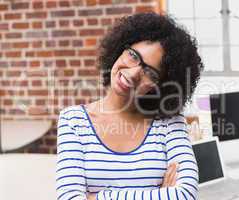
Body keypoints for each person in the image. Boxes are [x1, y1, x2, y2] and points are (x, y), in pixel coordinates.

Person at [56, 12, 204, 200]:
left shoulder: (170, 123)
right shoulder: (73, 120)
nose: (134, 73)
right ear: (120, 49)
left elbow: (185, 194)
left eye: (150, 72)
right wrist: (159, 194)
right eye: (133, 56)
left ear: (160, 85)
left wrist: (96, 197)